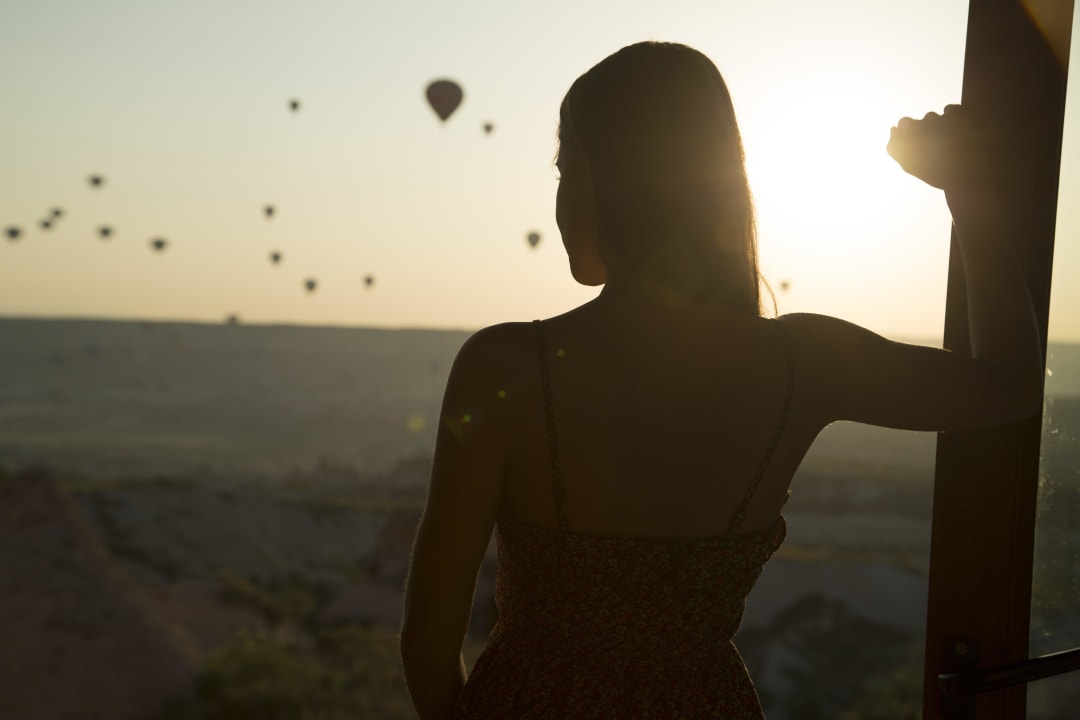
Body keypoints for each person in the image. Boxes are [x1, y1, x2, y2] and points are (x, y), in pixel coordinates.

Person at [399, 41, 1042, 719]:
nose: (558, 200)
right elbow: (1010, 386)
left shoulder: (504, 367)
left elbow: (427, 646)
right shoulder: (805, 361)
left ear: (610, 178)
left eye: (565, 170)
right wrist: (969, 194)